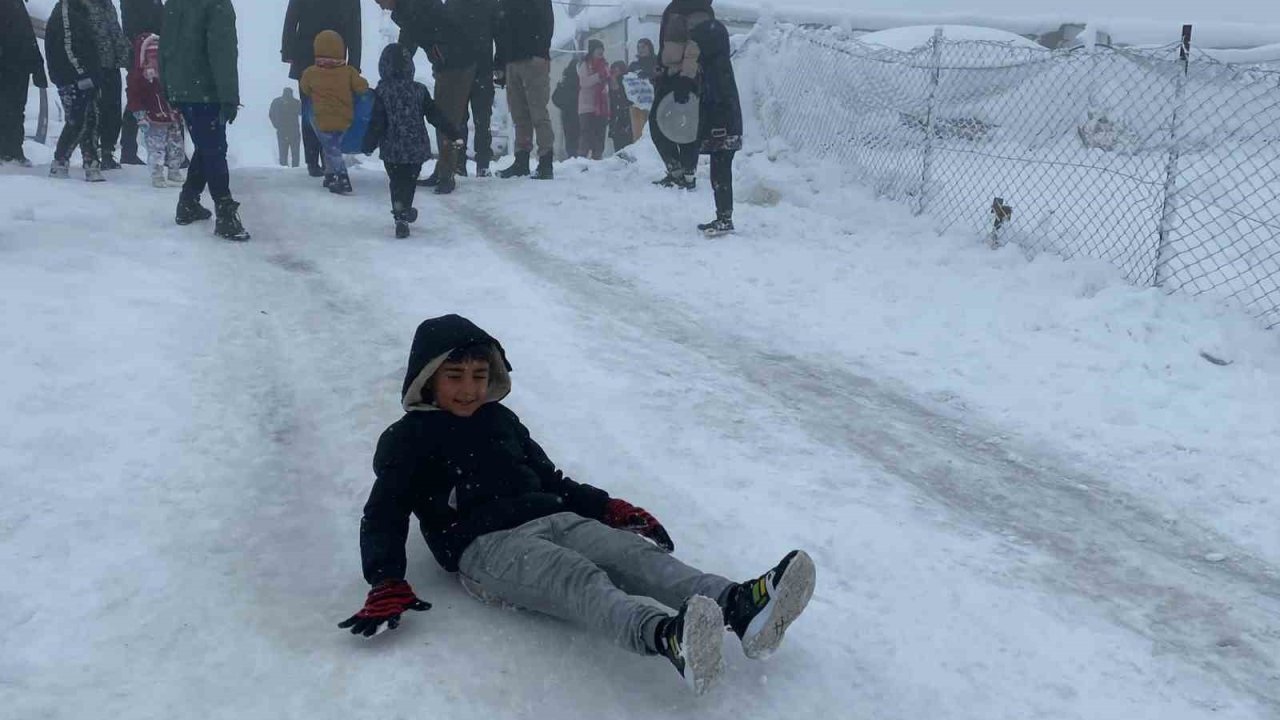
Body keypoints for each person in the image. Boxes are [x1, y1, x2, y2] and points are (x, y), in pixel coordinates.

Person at [338, 314, 817, 696]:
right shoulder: (407, 440)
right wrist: (385, 578)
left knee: (634, 555)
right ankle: (666, 637)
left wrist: (609, 508)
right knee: (576, 577)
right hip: (484, 544)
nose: (470, 388)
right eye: (455, 377)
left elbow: (551, 479)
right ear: (426, 380)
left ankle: (738, 604)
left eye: (480, 375)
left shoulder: (501, 420)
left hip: (553, 515)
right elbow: (385, 511)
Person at [161, 0, 249, 241]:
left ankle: (188, 202)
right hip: (206, 89)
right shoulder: (216, 4)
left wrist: (168, 86)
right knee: (214, 148)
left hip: (182, 88)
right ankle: (225, 213)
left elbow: (164, 46)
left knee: (206, 144)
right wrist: (229, 96)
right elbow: (223, 51)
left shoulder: (175, 3)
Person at [362, 44, 465, 238]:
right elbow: (435, 115)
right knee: (409, 182)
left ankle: (400, 215)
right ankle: (405, 208)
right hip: (415, 149)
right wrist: (453, 132)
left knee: (396, 182)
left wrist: (369, 144)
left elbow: (378, 121)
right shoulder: (419, 90)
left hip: (392, 149)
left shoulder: (382, 91)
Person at [377, 0, 475, 195]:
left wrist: (394, 71)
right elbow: (409, 41)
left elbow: (408, 41)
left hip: (456, 62)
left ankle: (447, 175)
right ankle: (442, 171)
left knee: (446, 117)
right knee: (443, 115)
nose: (381, 6)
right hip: (447, 62)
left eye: (380, 1)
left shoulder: (411, 8)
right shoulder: (408, 8)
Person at [281, 0, 361, 178]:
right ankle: (328, 159)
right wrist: (355, 62)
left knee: (310, 107)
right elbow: (355, 28)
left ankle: (314, 160)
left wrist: (288, 51)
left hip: (306, 53)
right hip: (336, 54)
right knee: (333, 107)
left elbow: (292, 18)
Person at [688, 11, 740, 236]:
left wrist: (718, 129)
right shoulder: (715, 62)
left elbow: (719, 98)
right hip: (725, 126)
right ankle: (723, 216)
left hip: (724, 128)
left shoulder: (715, 67)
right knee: (719, 172)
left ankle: (724, 219)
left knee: (721, 173)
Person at [300, 30, 369, 195]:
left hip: (322, 120)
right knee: (331, 147)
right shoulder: (349, 71)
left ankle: (343, 178)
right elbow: (362, 88)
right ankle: (330, 175)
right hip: (344, 119)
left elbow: (304, 88)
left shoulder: (311, 72)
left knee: (331, 149)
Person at [492, 0, 553, 179]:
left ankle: (545, 162)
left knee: (538, 112)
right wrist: (500, 62)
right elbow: (501, 31)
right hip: (513, 60)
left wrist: (541, 51)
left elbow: (547, 23)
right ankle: (522, 161)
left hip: (533, 58)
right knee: (519, 114)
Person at [651, 0, 708, 190]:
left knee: (687, 125)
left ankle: (687, 173)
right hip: (669, 74)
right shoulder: (676, 6)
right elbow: (666, 44)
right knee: (659, 123)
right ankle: (677, 170)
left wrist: (686, 77)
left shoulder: (697, 9)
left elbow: (695, 47)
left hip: (684, 76)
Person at [45, 0, 104, 182]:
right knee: (76, 120)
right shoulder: (65, 12)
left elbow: (89, 45)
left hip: (87, 75)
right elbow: (67, 46)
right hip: (71, 77)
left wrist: (95, 72)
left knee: (91, 117)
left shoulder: (81, 11)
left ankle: (91, 161)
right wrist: (82, 73)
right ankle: (60, 160)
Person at [125, 32, 184, 187]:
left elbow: (176, 92)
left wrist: (180, 108)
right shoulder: (139, 77)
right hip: (152, 118)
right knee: (156, 148)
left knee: (176, 145)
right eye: (151, 56)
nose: (155, 61)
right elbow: (134, 97)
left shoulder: (168, 74)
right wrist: (140, 115)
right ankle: (157, 173)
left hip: (171, 116)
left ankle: (174, 170)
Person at [451, 0, 498, 178]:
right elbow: (498, 33)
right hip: (478, 68)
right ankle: (479, 163)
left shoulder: (454, 5)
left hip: (464, 68)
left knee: (465, 120)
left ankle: (463, 163)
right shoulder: (488, 5)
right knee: (480, 119)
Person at [83, 0, 130, 170]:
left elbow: (116, 32)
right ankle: (90, 153)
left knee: (113, 111)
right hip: (94, 67)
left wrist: (125, 55)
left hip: (112, 66)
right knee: (94, 112)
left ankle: (108, 152)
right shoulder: (82, 5)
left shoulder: (108, 5)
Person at [0, 0, 48, 166]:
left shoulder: (17, 5)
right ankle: (8, 150)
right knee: (8, 109)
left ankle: (13, 149)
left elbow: (28, 37)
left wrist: (37, 65)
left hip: (18, 65)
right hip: (9, 65)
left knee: (16, 109)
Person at [118, 0, 165, 165]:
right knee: (137, 98)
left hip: (155, 52)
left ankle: (168, 151)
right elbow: (133, 28)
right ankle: (128, 150)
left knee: (159, 98)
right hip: (140, 53)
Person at [576, 39, 609, 160]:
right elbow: (583, 82)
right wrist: (598, 77)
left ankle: (597, 157)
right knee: (586, 134)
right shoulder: (585, 65)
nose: (601, 52)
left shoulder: (604, 65)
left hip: (601, 107)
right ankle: (582, 159)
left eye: (602, 49)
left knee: (599, 134)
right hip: (586, 107)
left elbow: (608, 80)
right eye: (598, 49)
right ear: (592, 51)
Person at [626, 37, 655, 142]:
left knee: (653, 134)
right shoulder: (634, 66)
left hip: (654, 104)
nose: (640, 49)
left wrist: (650, 75)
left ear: (650, 48)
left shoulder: (656, 64)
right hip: (636, 105)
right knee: (638, 136)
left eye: (643, 47)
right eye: (638, 47)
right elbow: (627, 85)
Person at [551, 57, 578, 159]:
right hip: (577, 112)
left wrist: (564, 106)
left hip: (567, 114)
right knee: (578, 138)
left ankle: (572, 157)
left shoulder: (565, 79)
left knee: (570, 139)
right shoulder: (577, 80)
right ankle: (576, 158)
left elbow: (555, 98)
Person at [269, 88, 302, 168]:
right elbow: (301, 113)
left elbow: (271, 114)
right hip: (292, 131)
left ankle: (285, 168)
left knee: (284, 153)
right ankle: (294, 168)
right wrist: (276, 125)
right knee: (294, 153)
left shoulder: (277, 102)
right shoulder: (296, 102)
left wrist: (276, 125)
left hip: (284, 130)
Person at [607, 60, 632, 154]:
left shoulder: (626, 82)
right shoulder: (609, 84)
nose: (613, 73)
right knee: (618, 149)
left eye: (615, 70)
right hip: (616, 120)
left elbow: (623, 100)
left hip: (625, 119)